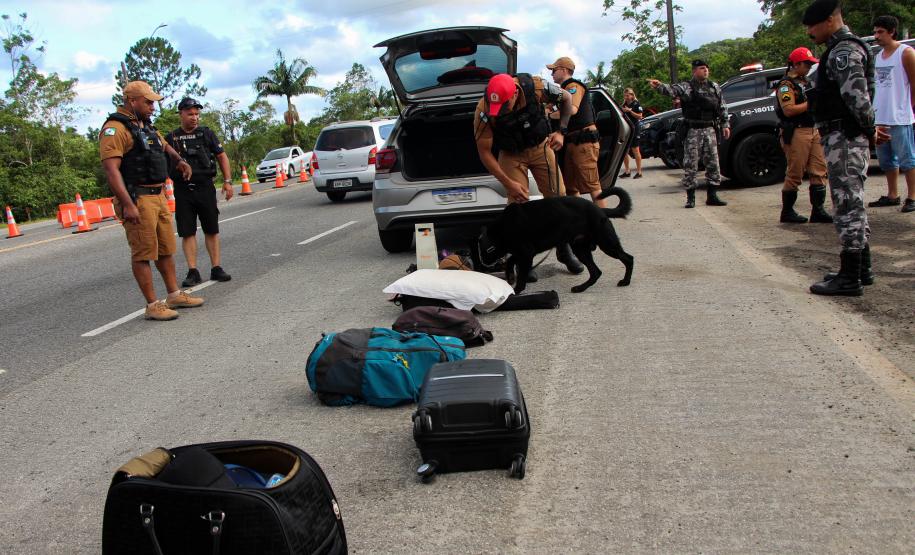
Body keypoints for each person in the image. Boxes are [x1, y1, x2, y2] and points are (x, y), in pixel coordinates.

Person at [99, 81, 204, 320]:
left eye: (153, 102)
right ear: (131, 101)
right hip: (137, 198)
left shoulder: (145, 126)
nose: (152, 107)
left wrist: (180, 161)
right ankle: (152, 304)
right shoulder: (115, 129)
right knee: (143, 252)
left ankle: (174, 294)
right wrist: (127, 204)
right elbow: (111, 170)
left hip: (158, 197)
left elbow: (164, 146)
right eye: (148, 102)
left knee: (166, 248)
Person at [804, 0, 888, 296]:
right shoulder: (842, 48)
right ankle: (860, 269)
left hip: (845, 135)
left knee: (847, 203)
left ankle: (850, 277)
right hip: (844, 134)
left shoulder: (844, 50)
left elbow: (857, 97)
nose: (810, 32)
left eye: (812, 26)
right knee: (850, 200)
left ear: (829, 21)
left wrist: (868, 129)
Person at [473, 72, 584, 276]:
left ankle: (563, 248)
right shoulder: (484, 108)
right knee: (517, 207)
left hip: (541, 146)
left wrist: (562, 131)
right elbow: (485, 153)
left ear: (515, 93)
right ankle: (522, 257)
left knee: (558, 200)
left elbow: (567, 99)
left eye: (505, 105)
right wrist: (508, 184)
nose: (501, 111)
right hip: (510, 153)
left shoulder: (537, 87)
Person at [165, 97, 234, 287]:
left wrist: (227, 182)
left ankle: (216, 267)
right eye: (190, 114)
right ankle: (193, 271)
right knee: (187, 232)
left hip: (205, 187)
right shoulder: (171, 138)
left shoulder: (207, 134)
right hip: (183, 190)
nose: (194, 118)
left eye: (197, 114)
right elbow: (164, 164)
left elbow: (221, 156)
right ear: (181, 114)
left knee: (211, 228)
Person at [648, 60, 730, 208]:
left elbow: (722, 106)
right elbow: (672, 90)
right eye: (702, 68)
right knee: (691, 164)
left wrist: (725, 124)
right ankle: (690, 197)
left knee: (713, 163)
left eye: (706, 68)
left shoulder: (714, 87)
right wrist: (659, 86)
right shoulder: (688, 87)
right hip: (693, 130)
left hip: (710, 129)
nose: (705, 71)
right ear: (694, 71)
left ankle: (712, 196)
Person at [774, 47, 833, 224]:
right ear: (796, 64)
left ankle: (818, 210)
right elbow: (789, 109)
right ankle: (787, 211)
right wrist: (811, 103)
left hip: (814, 129)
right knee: (795, 172)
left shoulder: (806, 82)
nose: (808, 68)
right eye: (806, 64)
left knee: (819, 170)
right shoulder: (786, 85)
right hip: (797, 131)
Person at [868, 15, 915, 213]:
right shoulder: (878, 57)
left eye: (880, 32)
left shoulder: (906, 53)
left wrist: (911, 108)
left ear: (891, 32)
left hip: (899, 115)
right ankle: (892, 194)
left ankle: (912, 196)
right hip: (881, 117)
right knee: (886, 160)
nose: (876, 36)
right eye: (875, 31)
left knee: (907, 158)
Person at [546, 56, 607, 208]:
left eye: (554, 70)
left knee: (593, 185)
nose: (552, 74)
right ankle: (579, 219)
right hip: (573, 142)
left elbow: (571, 109)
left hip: (583, 142)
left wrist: (548, 114)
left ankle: (604, 222)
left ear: (564, 70)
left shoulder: (573, 86)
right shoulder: (562, 90)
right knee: (570, 187)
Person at [619, 88, 644, 179]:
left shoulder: (636, 104)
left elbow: (640, 116)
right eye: (625, 95)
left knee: (635, 150)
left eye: (628, 95)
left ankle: (639, 172)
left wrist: (630, 111)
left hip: (635, 129)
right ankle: (627, 171)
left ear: (632, 95)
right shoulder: (624, 104)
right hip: (627, 130)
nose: (626, 97)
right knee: (625, 151)